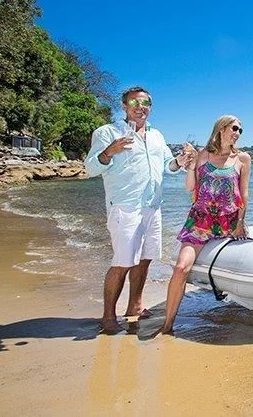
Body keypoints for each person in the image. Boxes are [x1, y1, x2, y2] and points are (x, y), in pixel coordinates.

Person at [85, 86, 191, 333]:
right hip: (125, 207)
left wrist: (179, 162)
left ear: (150, 107)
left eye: (145, 103)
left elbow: (167, 165)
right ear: (124, 106)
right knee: (122, 263)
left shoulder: (157, 136)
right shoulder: (107, 132)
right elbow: (90, 168)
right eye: (134, 103)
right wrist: (109, 151)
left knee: (144, 260)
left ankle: (135, 306)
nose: (140, 108)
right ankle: (108, 316)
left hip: (153, 206)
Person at [160, 115, 251, 334]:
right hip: (201, 220)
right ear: (221, 129)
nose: (238, 133)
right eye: (234, 128)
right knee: (181, 268)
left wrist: (240, 223)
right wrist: (192, 166)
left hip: (229, 221)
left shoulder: (243, 159)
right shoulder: (203, 154)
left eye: (240, 130)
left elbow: (244, 194)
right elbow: (190, 188)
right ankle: (167, 325)